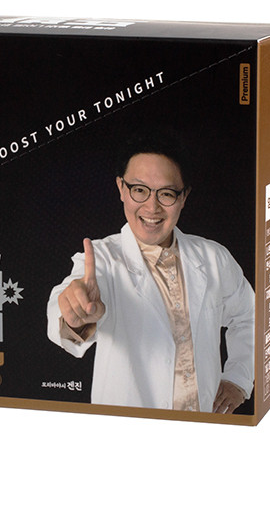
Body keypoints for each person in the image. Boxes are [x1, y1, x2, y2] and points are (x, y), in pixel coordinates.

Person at [47, 134, 254, 414]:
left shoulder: (213, 258)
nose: (152, 207)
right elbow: (69, 299)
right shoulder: (102, 259)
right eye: (139, 190)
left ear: (184, 197)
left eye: (166, 194)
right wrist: (74, 315)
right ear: (121, 188)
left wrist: (239, 378)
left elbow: (250, 315)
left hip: (203, 424)